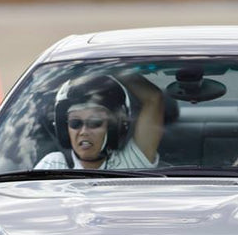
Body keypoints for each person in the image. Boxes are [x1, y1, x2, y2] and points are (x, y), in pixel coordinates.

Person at [34, 73, 164, 170]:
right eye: (75, 123)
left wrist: (114, 67)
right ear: (65, 129)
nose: (84, 132)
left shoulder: (130, 161)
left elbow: (153, 98)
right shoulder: (53, 165)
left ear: (113, 128)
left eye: (95, 123)